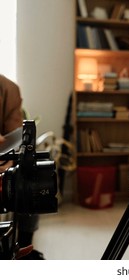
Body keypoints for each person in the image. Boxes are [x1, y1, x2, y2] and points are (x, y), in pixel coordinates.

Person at [0, 74, 44, 259]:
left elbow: (13, 135)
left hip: (2, 162)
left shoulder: (8, 88)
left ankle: (24, 247)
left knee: (29, 181)